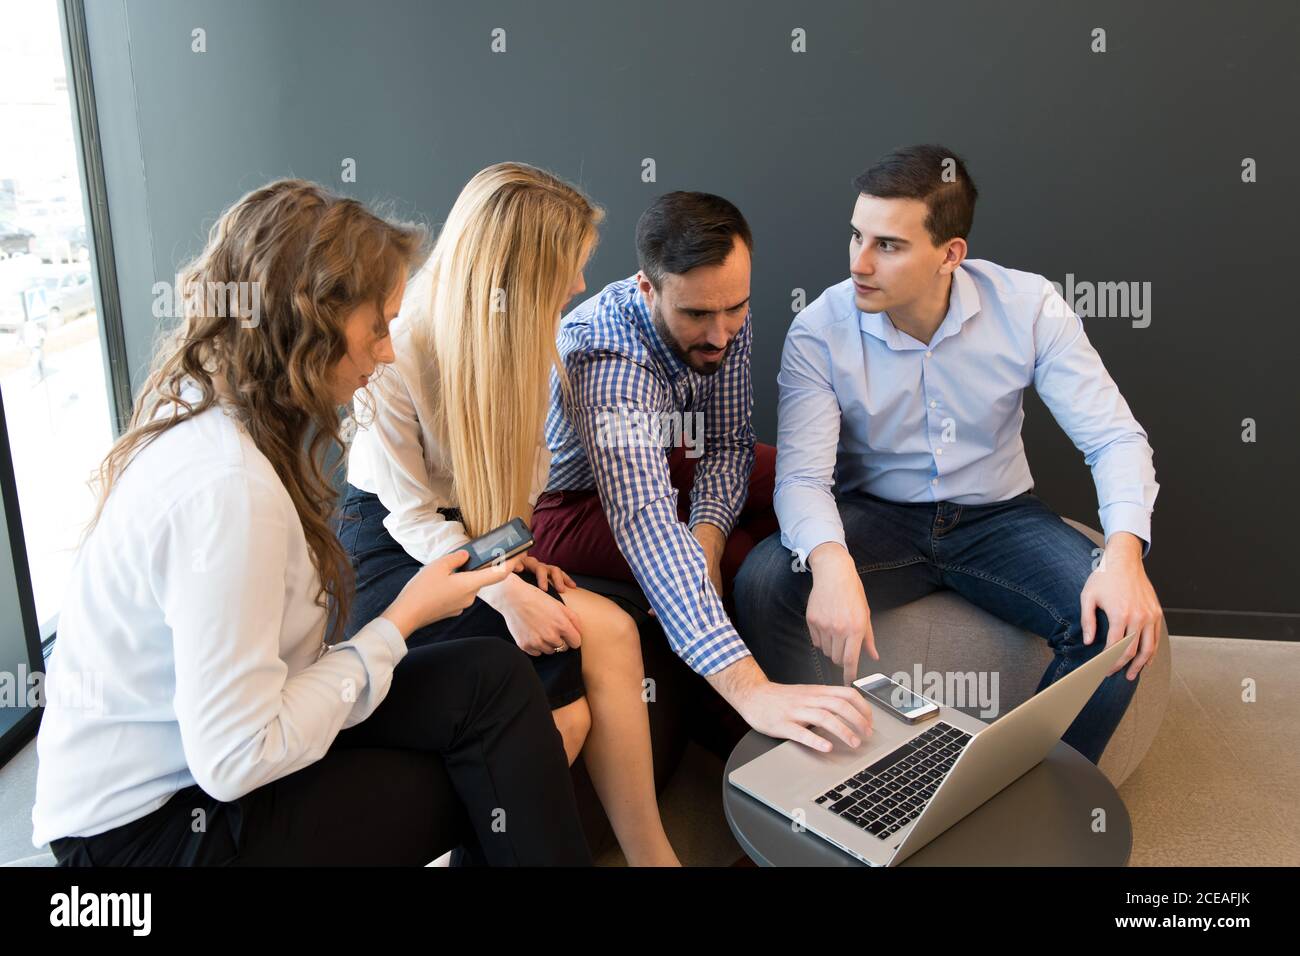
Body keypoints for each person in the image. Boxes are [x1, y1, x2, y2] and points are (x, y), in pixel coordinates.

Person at [31, 179, 590, 865]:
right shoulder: (228, 490)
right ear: (312, 330)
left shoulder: (220, 415)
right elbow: (237, 758)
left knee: (489, 677)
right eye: (377, 328)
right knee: (491, 769)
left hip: (219, 751)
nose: (387, 351)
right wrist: (400, 622)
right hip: (151, 837)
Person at [734, 145, 1164, 763]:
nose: (859, 262)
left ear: (950, 255)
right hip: (875, 516)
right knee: (765, 581)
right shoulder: (820, 330)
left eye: (888, 245)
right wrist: (831, 564)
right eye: (856, 235)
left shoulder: (1029, 307)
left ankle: (1032, 791)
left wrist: (1124, 555)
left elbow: (1113, 437)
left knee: (1115, 632)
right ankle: (816, 768)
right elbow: (803, 478)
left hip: (998, 518)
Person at [341, 162, 679, 866]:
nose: (582, 286)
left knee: (612, 630)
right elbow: (409, 516)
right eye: (569, 268)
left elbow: (521, 478)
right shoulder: (396, 348)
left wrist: (507, 554)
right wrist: (502, 592)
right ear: (513, 275)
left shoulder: (519, 335)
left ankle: (654, 859)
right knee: (560, 710)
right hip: (395, 552)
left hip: (474, 541)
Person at [531, 191, 875, 756]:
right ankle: (746, 738)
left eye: (734, 307)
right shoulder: (607, 361)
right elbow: (649, 529)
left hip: (672, 450)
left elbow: (728, 443)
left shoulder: (720, 308)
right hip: (578, 503)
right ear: (648, 289)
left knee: (798, 481)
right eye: (695, 315)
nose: (720, 334)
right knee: (742, 558)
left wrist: (707, 536)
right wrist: (753, 688)